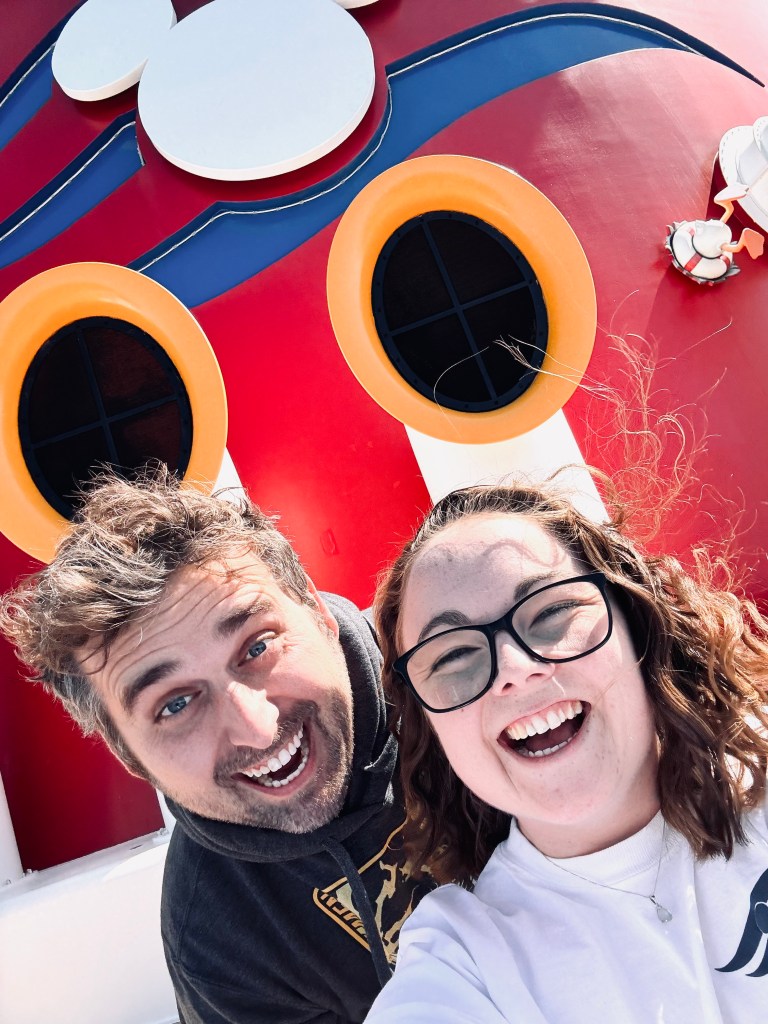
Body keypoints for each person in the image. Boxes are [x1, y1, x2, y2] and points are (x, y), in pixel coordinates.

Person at [0, 468, 433, 1024]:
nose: (258, 728)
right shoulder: (214, 943)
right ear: (130, 755)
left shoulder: (465, 681)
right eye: (176, 704)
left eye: (256, 648)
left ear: (317, 612)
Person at [365, 481, 768, 1023]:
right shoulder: (466, 962)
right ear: (430, 727)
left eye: (552, 611)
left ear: (636, 621)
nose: (514, 668)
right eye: (453, 655)